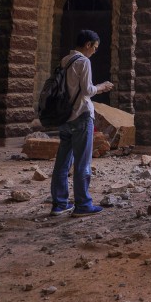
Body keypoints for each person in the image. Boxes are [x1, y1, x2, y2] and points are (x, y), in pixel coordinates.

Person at [50, 30, 114, 217]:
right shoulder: (83, 62)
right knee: (82, 163)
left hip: (65, 117)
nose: (94, 51)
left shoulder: (65, 60)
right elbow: (87, 90)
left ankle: (59, 204)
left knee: (62, 163)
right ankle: (83, 205)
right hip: (82, 116)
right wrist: (102, 87)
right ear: (87, 44)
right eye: (94, 47)